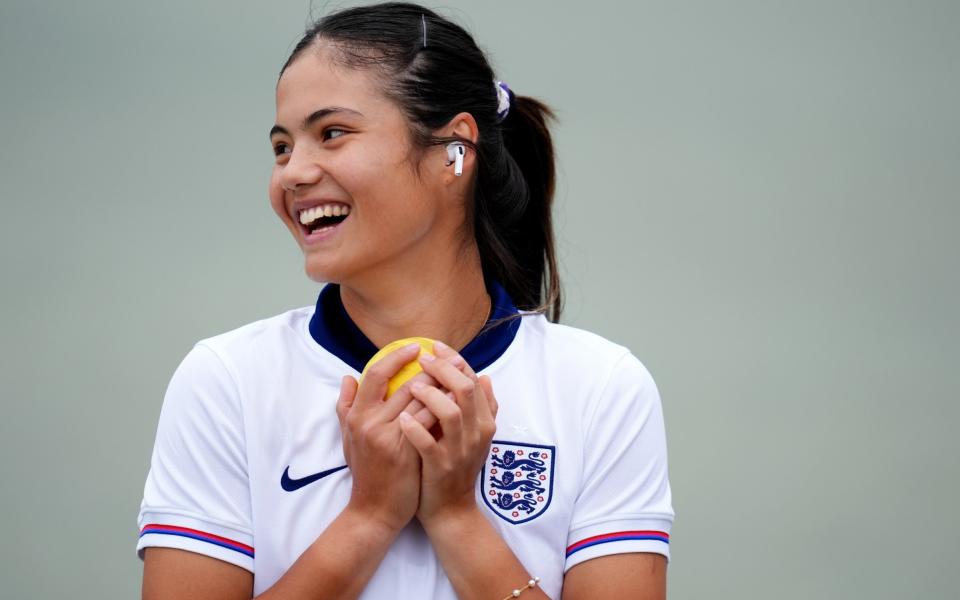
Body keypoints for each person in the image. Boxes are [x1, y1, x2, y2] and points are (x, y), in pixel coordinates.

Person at [137, 3, 673, 599]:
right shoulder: (226, 381)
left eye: (331, 133)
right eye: (282, 147)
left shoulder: (602, 388)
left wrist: (456, 518)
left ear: (454, 150)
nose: (292, 173)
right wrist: (368, 518)